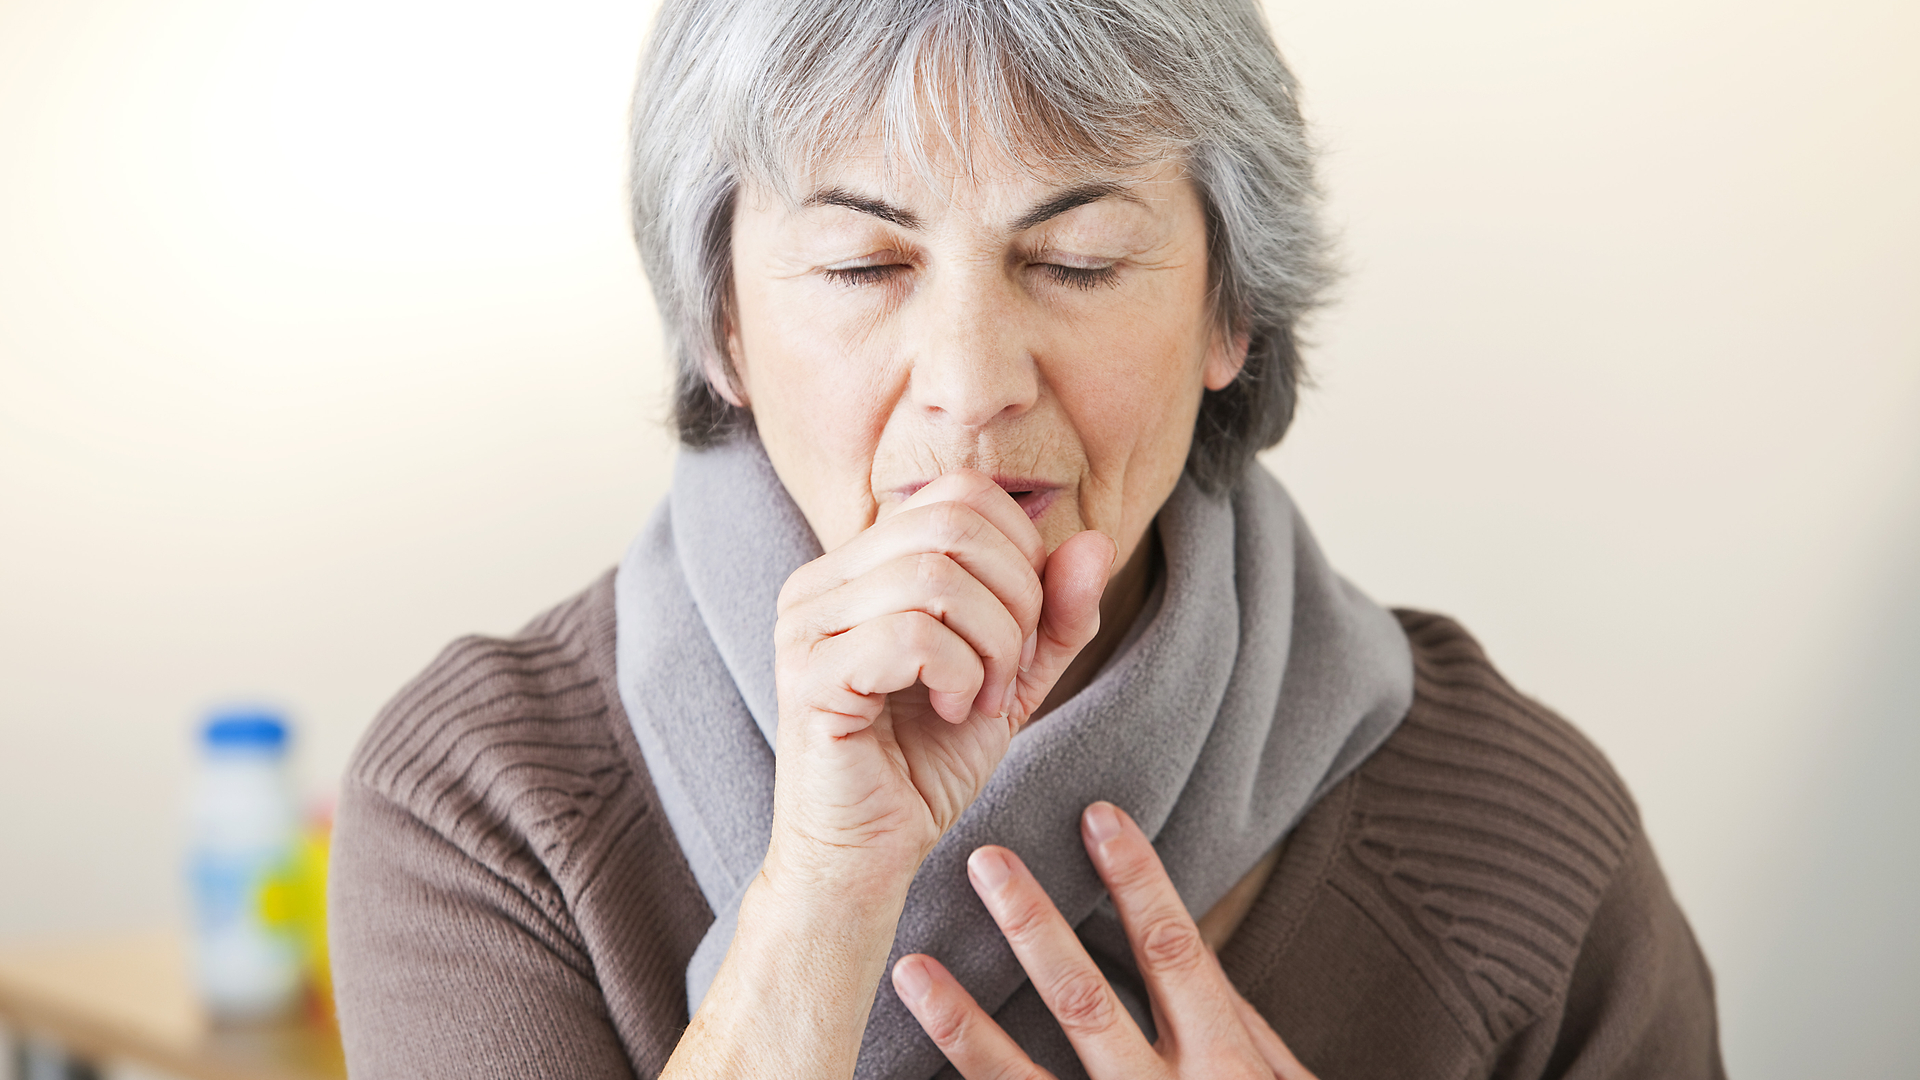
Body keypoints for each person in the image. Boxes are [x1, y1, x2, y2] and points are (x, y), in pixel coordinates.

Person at [329, 1, 1725, 1077]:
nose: (970, 377)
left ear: (1231, 313)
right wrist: (820, 896)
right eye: (866, 265)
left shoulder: (1511, 834)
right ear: (725, 328)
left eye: (1076, 262)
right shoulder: (490, 813)